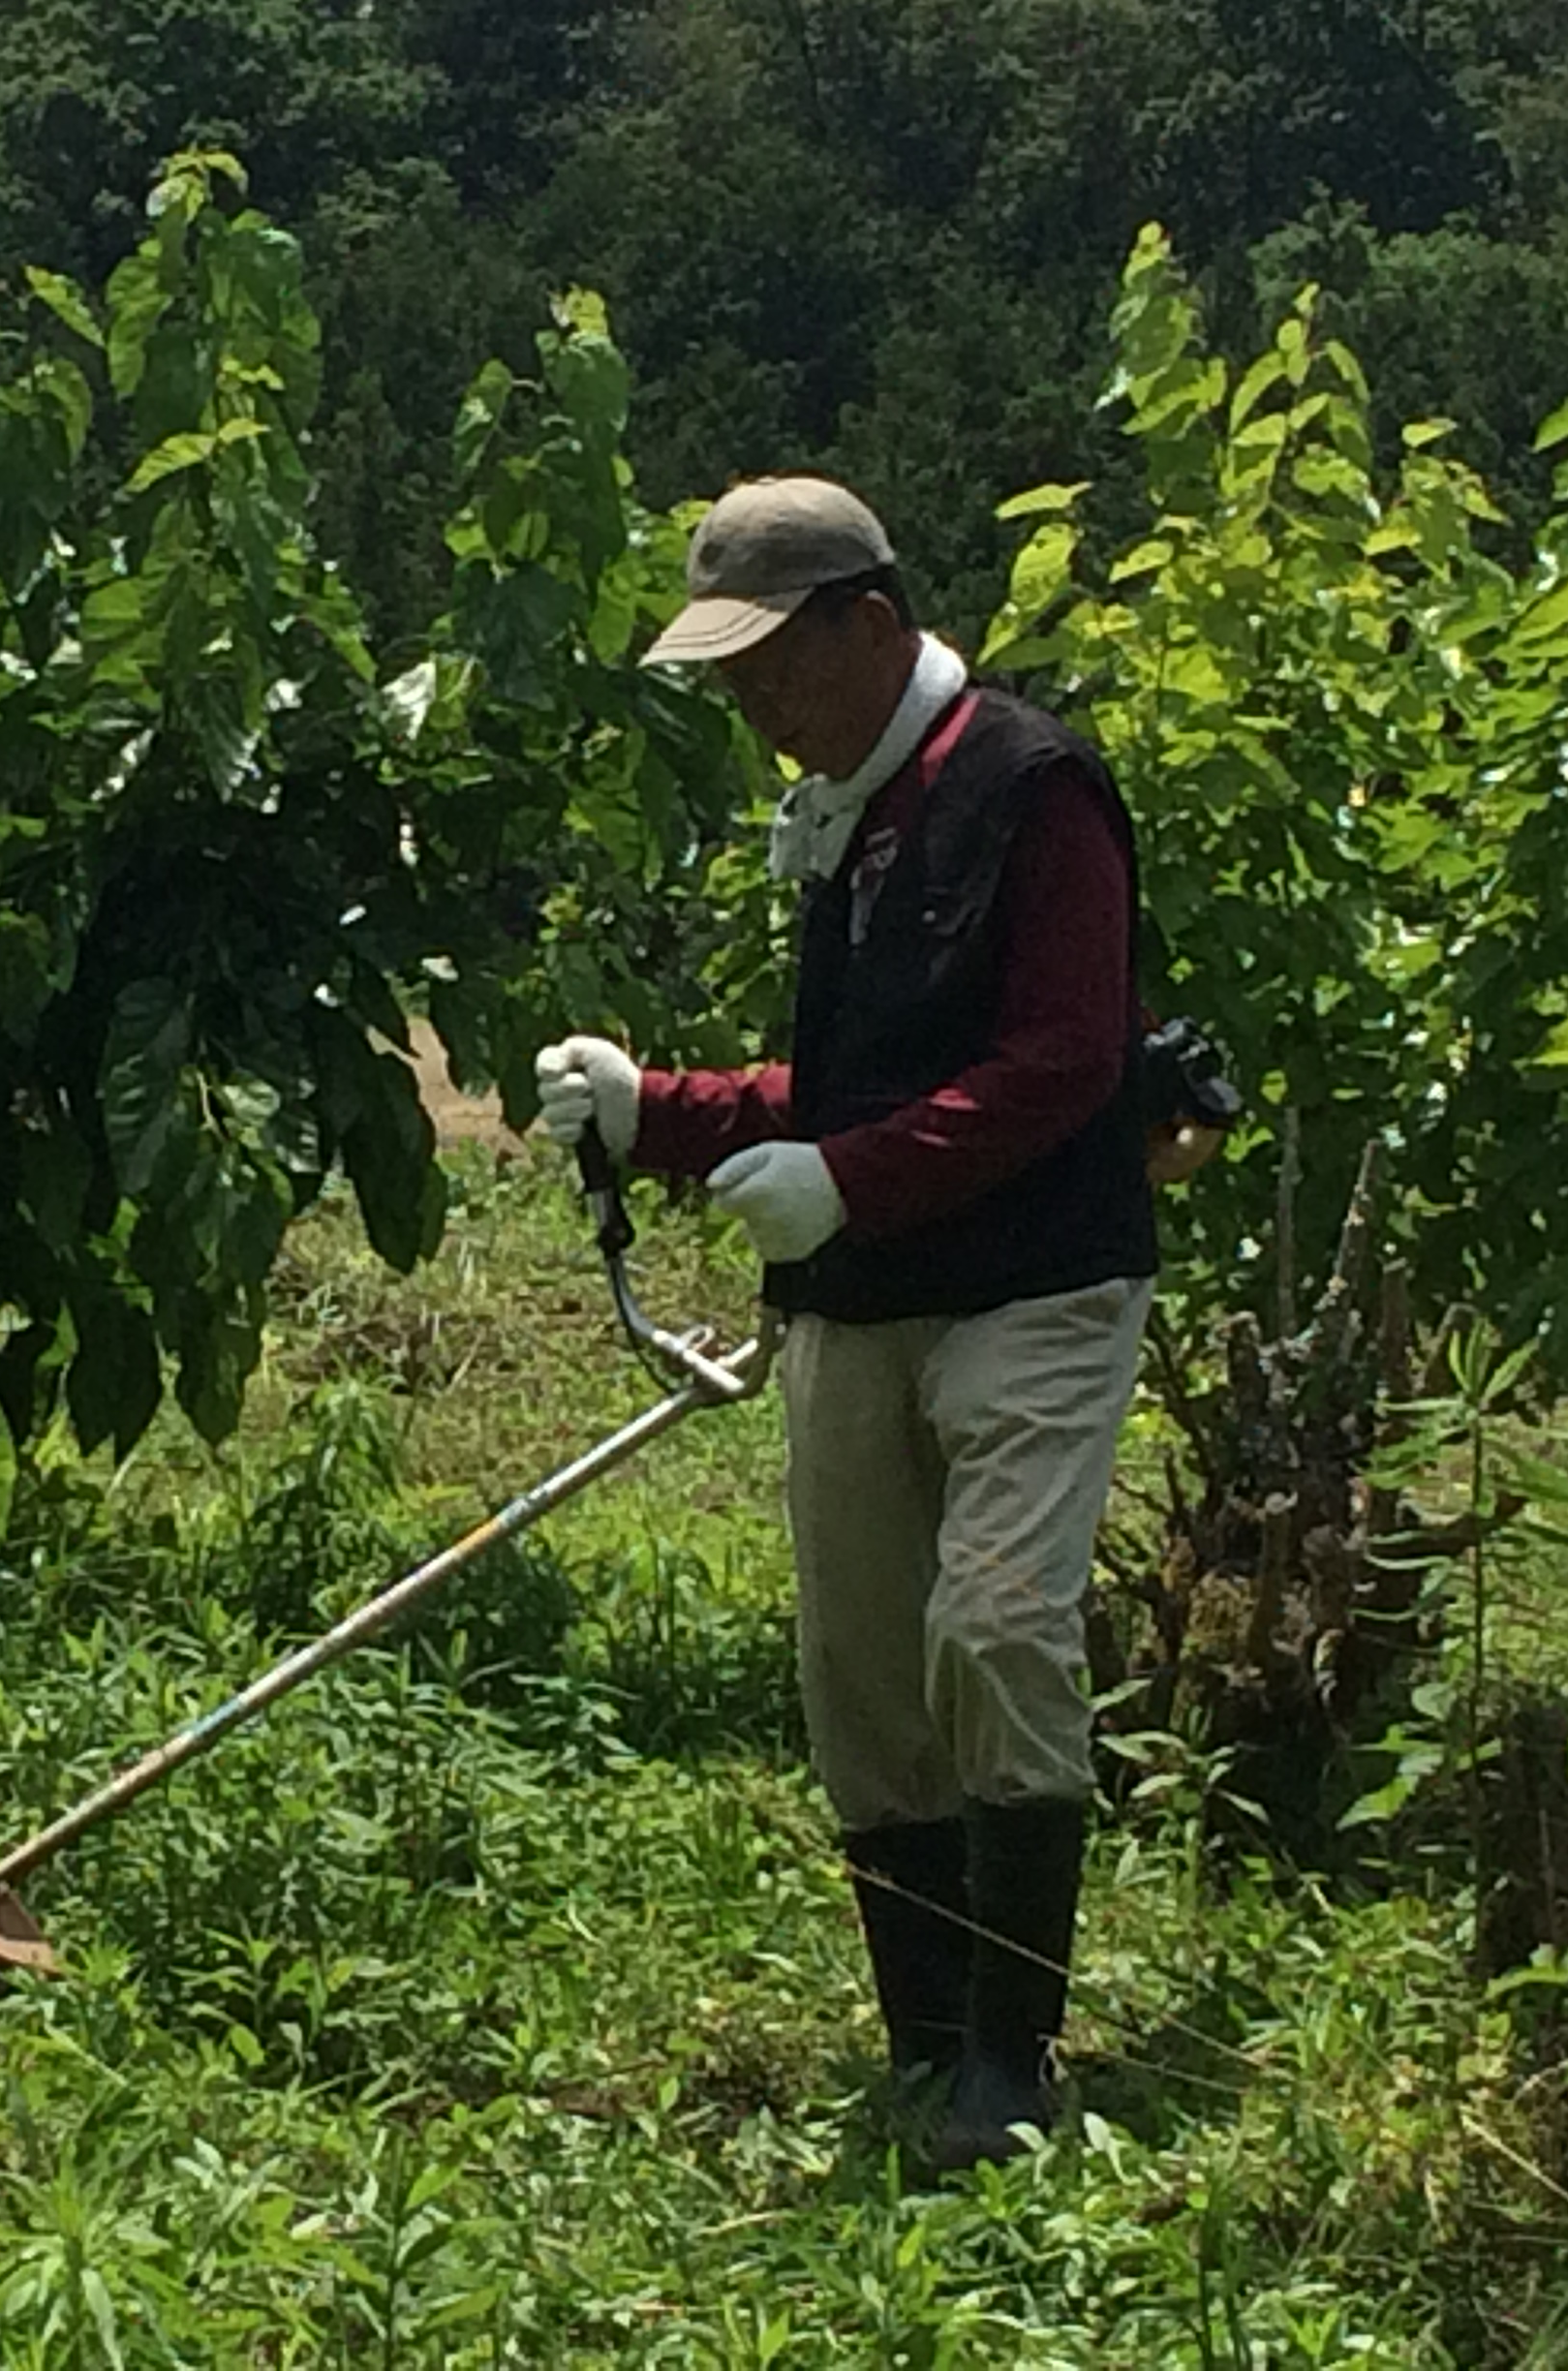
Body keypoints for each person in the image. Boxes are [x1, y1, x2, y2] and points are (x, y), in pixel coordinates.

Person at [535, 476, 1200, 2172]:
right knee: (860, 1676)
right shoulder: (845, 814)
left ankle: (1012, 2059)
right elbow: (843, 1080)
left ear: (875, 626)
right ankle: (927, 2047)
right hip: (862, 1297)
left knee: (995, 1624)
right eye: (732, 675)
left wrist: (850, 1179)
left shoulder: (1031, 788)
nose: (755, 703)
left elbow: (1065, 1060)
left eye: (775, 663)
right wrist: (660, 1110)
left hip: (1034, 1282)